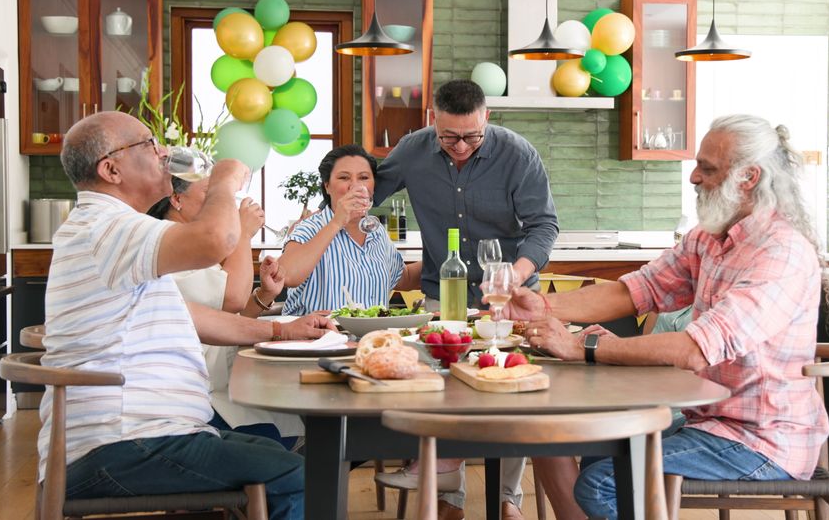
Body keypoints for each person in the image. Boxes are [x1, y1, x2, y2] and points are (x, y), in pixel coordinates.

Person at [503, 114, 829, 519]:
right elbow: (636, 291)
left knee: (602, 480)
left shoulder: (781, 254)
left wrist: (583, 348)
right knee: (598, 449)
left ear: (748, 177)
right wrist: (545, 307)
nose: (693, 176)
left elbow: (695, 350)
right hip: (708, 420)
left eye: (707, 168)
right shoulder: (709, 238)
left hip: (761, 440)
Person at [40, 111, 331, 519]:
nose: (162, 152)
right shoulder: (106, 228)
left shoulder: (119, 230)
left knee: (271, 450)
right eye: (147, 144)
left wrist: (283, 329)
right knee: (300, 475)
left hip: (144, 437)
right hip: (122, 443)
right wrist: (225, 182)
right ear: (111, 169)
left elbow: (194, 317)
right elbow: (216, 239)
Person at [373, 80, 560, 520]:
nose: (461, 146)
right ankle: (449, 493)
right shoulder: (412, 150)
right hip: (442, 293)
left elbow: (543, 226)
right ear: (431, 121)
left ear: (487, 119)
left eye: (472, 136)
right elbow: (366, 193)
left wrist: (516, 274)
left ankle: (507, 496)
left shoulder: (517, 154)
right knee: (440, 387)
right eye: (450, 136)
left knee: (509, 388)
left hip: (509, 297)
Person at [147, 177, 304, 449]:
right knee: (282, 434)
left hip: (220, 383)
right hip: (188, 398)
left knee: (292, 422)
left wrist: (265, 294)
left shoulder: (195, 244)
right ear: (176, 199)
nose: (225, 202)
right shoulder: (168, 243)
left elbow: (223, 316)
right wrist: (242, 232)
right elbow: (231, 299)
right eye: (211, 192)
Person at [280, 144, 421, 314]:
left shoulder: (376, 232)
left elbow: (403, 278)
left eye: (363, 177)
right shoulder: (309, 228)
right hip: (315, 338)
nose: (355, 186)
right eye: (344, 178)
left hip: (369, 338)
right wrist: (337, 222)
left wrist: (448, 255)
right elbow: (286, 275)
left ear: (373, 186)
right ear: (327, 185)